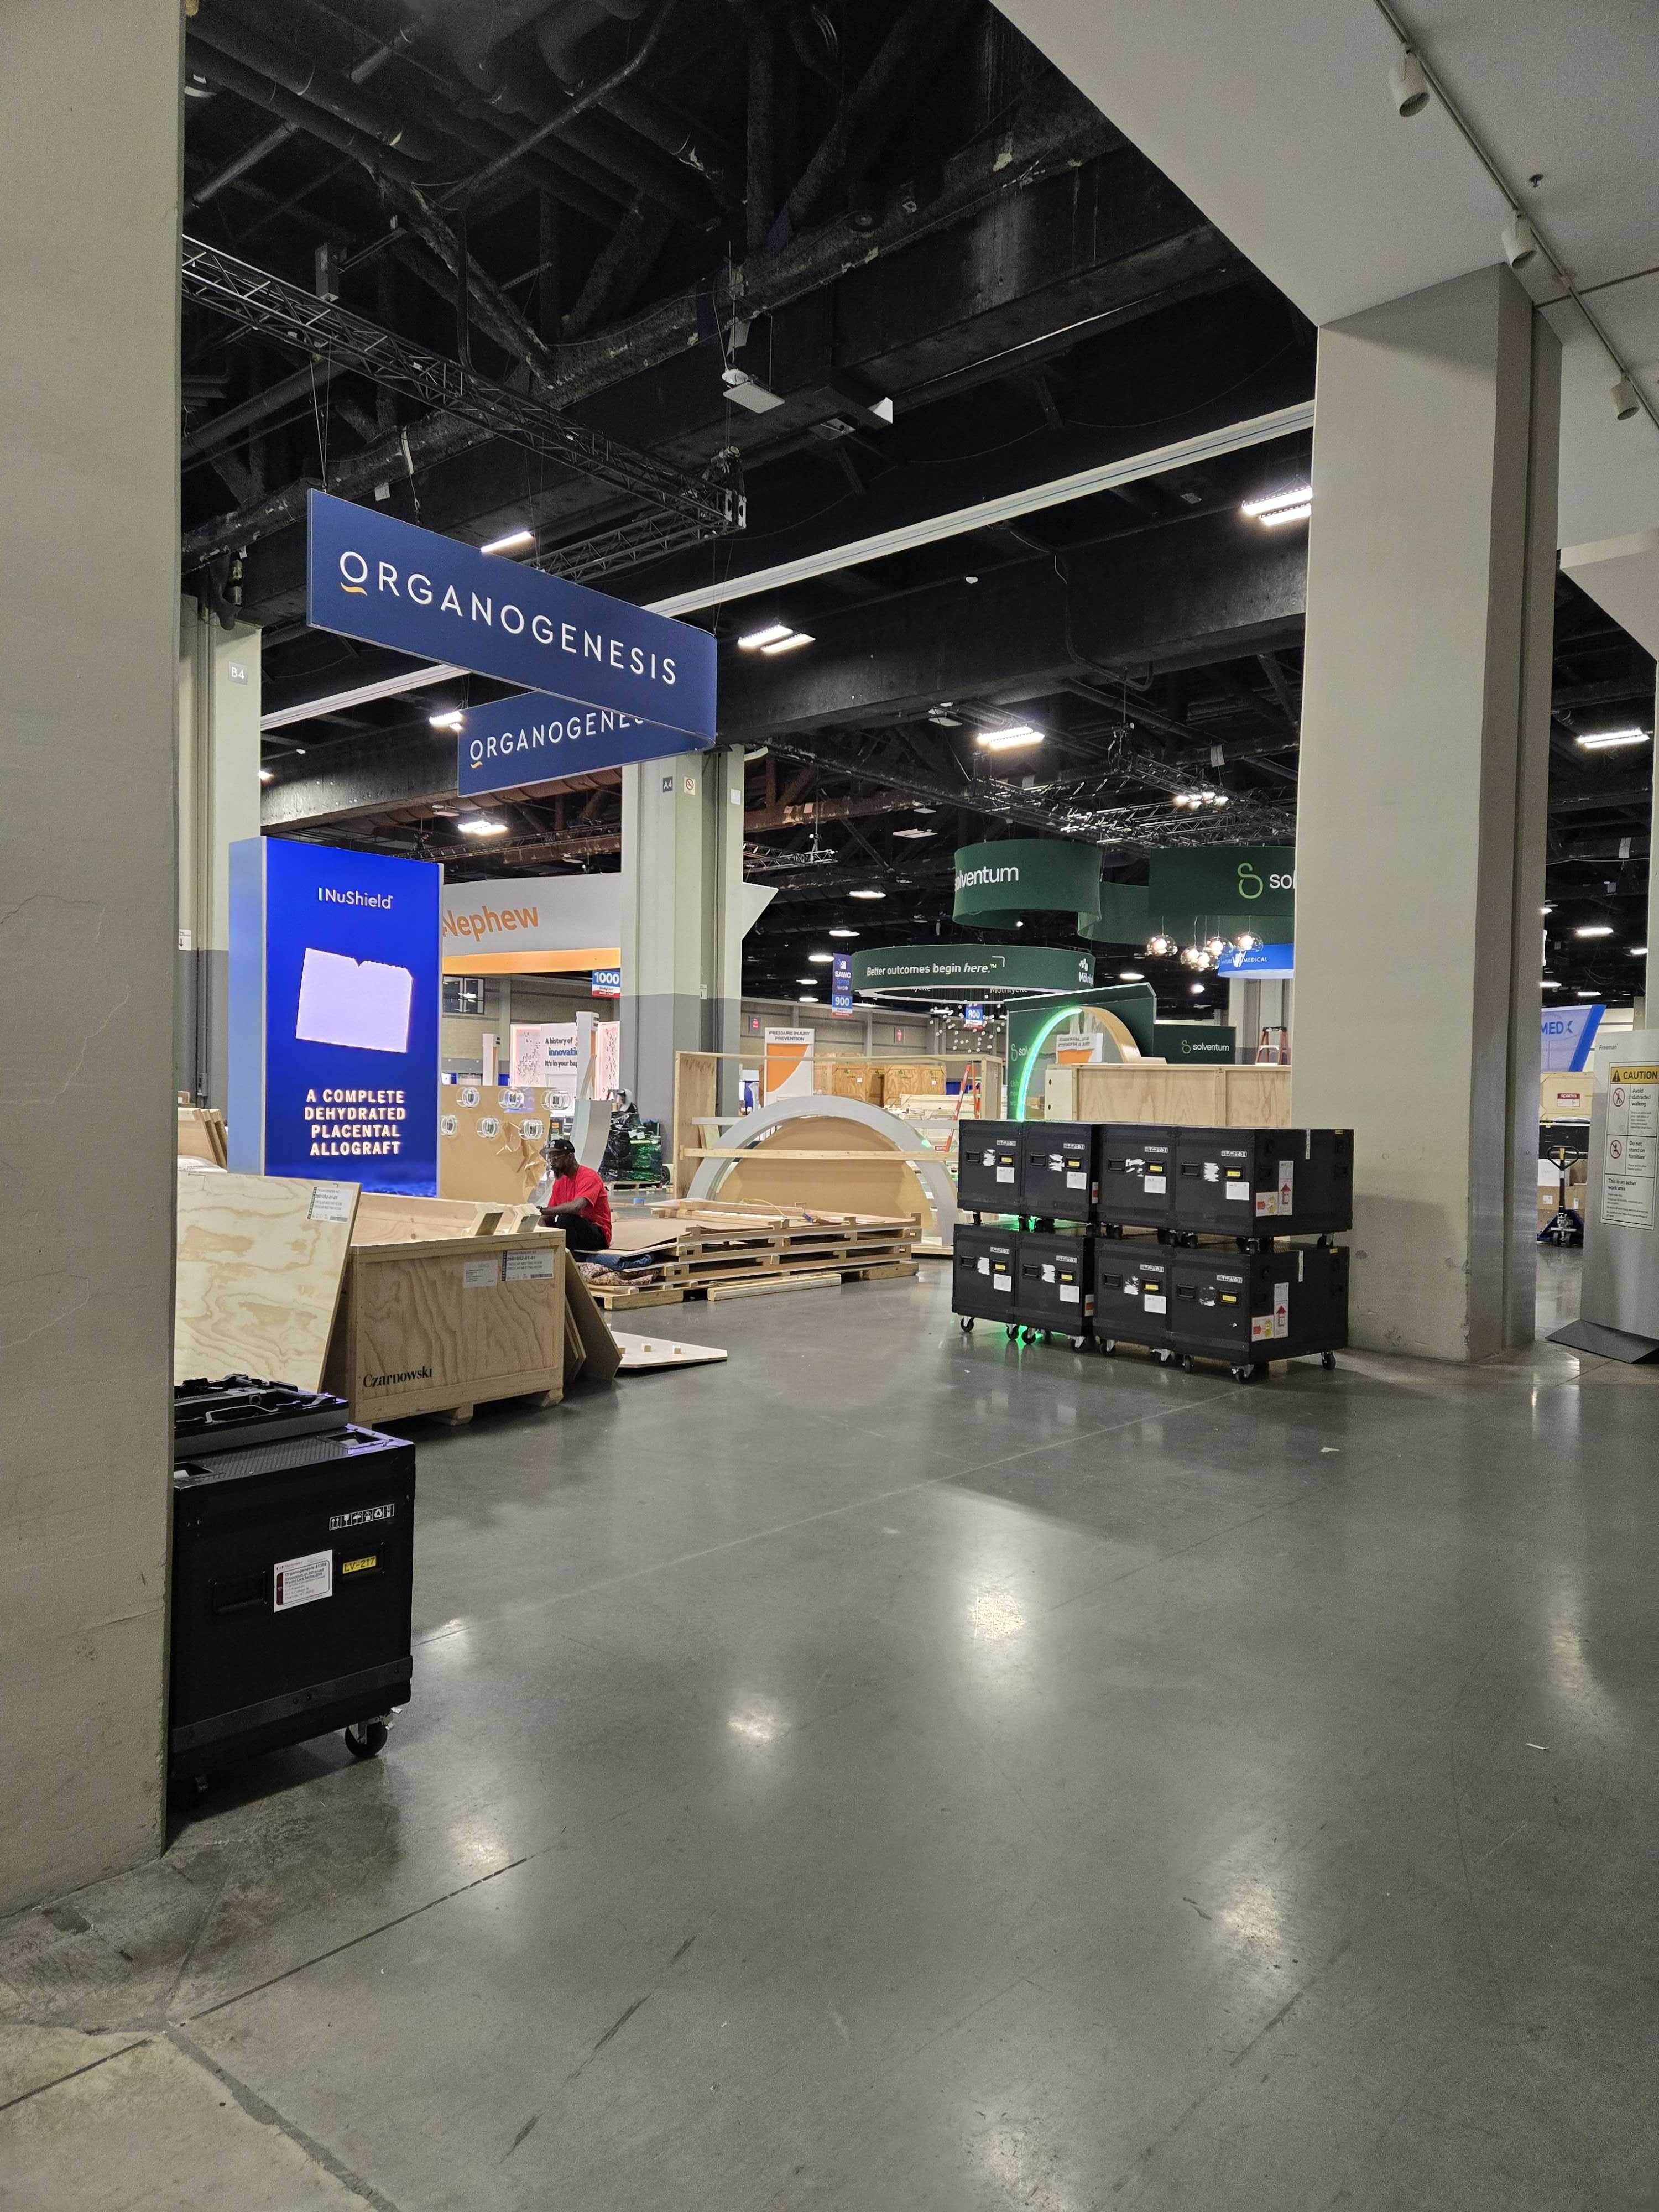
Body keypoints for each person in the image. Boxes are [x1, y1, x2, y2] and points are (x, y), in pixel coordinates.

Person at [539, 1138, 613, 1253]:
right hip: (575, 1230)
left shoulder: (589, 1177)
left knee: (565, 1219)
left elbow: (576, 1207)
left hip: (598, 1233)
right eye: (550, 1159)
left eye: (556, 1158)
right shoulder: (559, 1182)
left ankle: (569, 1258)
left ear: (570, 1157)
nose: (552, 1163)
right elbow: (549, 1214)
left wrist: (542, 1210)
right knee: (545, 1221)